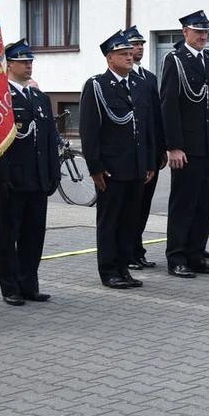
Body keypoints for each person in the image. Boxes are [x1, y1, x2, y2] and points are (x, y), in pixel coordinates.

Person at [80, 32, 155, 289]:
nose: (130, 57)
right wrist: (95, 167)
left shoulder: (137, 85)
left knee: (129, 221)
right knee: (110, 220)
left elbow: (144, 128)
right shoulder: (98, 85)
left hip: (135, 166)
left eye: (131, 53)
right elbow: (90, 130)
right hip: (112, 168)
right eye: (123, 54)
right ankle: (109, 270)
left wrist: (148, 162)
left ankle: (124, 267)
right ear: (110, 58)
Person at [0, 39, 60, 305]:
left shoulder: (39, 97)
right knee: (8, 236)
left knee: (33, 235)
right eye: (23, 61)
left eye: (30, 61)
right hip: (13, 178)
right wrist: (0, 176)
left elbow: (50, 138)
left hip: (38, 177)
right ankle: (10, 287)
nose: (29, 65)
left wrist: (54, 172)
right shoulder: (0, 97)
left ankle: (29, 283)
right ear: (9, 64)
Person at [159, 10, 209, 278]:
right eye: (197, 31)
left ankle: (196, 255)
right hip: (187, 147)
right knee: (183, 205)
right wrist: (174, 146)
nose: (202, 36)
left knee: (203, 206)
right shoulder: (175, 60)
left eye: (205, 32)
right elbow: (169, 104)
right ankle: (176, 257)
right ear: (185, 32)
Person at [125, 25, 166, 271]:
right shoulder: (123, 76)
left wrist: (161, 148)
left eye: (141, 44)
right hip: (132, 154)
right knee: (131, 206)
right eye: (134, 44)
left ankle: (137, 248)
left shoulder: (149, 77)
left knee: (144, 205)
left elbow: (156, 118)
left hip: (150, 152)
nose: (138, 48)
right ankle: (128, 251)